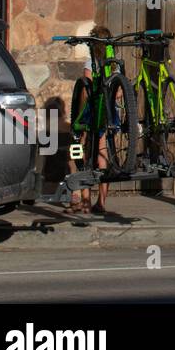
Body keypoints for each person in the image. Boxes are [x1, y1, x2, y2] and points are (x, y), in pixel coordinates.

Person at [68, 25, 113, 215]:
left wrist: (80, 114)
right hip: (109, 112)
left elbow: (86, 88)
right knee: (103, 153)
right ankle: (101, 202)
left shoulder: (91, 62)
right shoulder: (114, 64)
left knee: (84, 151)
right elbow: (119, 92)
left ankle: (85, 200)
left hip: (92, 111)